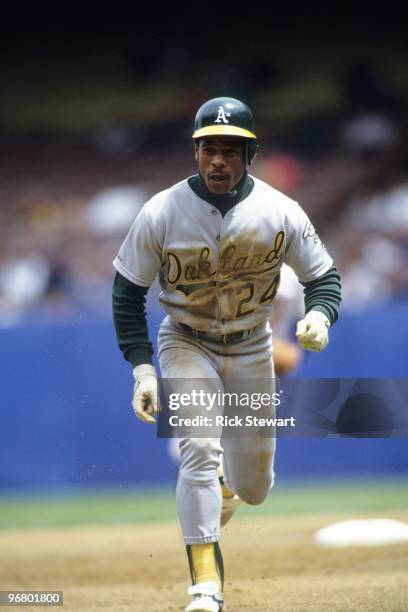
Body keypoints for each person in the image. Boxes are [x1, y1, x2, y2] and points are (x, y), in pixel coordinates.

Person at [112, 97, 341, 612]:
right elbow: (127, 292)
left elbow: (323, 277)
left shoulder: (280, 210)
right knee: (197, 445)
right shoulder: (161, 211)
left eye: (231, 151)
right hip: (185, 340)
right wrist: (143, 368)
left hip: (252, 346)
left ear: (249, 155)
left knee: (254, 487)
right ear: (195, 153)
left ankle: (227, 487)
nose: (218, 160)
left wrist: (320, 316)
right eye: (209, 149)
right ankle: (206, 589)